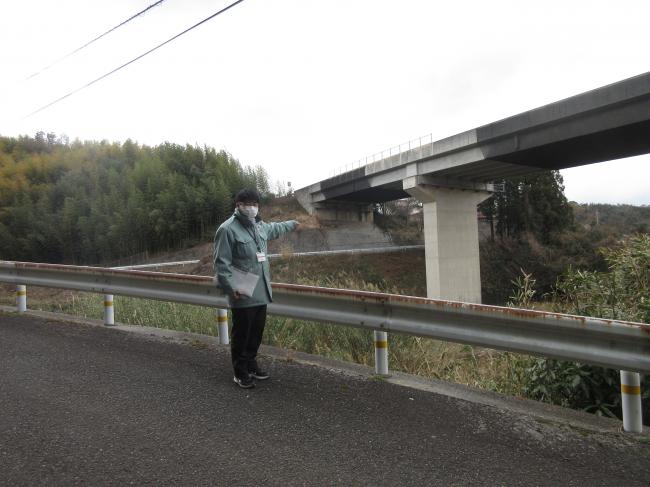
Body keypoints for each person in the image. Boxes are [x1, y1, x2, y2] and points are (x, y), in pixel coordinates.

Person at [213, 188, 299, 389]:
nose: (252, 208)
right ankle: (240, 371)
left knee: (256, 332)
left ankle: (251, 364)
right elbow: (221, 263)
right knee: (242, 334)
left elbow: (276, 228)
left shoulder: (259, 226)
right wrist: (230, 287)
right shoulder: (227, 229)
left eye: (255, 204)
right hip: (241, 290)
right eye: (248, 204)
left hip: (261, 290)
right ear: (239, 206)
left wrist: (293, 224)